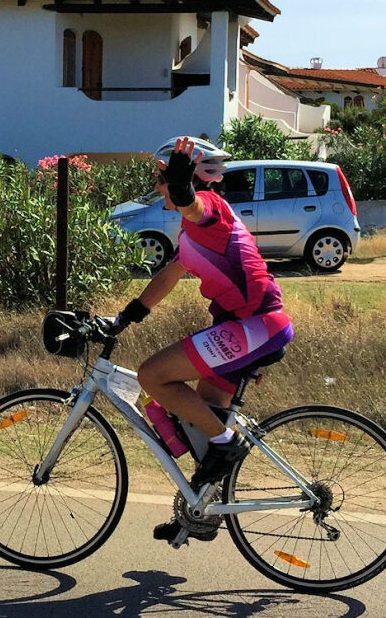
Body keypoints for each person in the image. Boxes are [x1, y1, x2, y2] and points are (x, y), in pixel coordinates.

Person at [122, 136, 293, 543]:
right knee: (201, 414)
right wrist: (128, 316)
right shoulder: (195, 231)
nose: (155, 185)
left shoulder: (209, 212)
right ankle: (201, 512)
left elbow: (193, 204)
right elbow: (169, 275)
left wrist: (182, 189)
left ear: (181, 178)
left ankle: (226, 442)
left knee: (152, 376)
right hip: (251, 326)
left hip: (253, 326)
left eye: (160, 178)